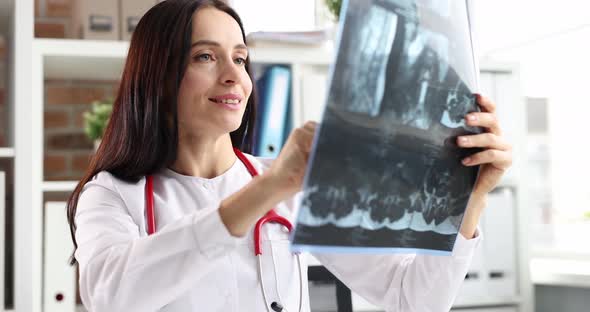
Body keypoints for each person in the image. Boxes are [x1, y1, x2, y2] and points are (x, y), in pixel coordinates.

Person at [66, 1, 513, 311]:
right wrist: (269, 189)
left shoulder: (287, 183)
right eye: (206, 56)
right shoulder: (110, 195)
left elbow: (411, 298)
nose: (233, 77)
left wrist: (467, 198)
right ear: (158, 76)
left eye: (240, 59)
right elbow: (111, 295)